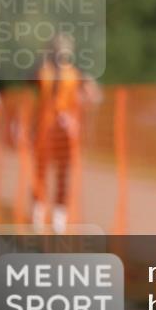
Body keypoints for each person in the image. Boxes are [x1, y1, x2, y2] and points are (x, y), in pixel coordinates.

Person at [33, 33, 99, 234]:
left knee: (63, 174)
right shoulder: (44, 71)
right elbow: (34, 80)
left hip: (65, 132)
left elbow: (93, 95)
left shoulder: (75, 74)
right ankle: (37, 212)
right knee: (41, 172)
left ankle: (58, 216)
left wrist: (77, 111)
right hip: (44, 128)